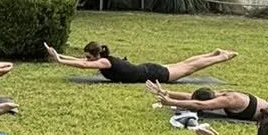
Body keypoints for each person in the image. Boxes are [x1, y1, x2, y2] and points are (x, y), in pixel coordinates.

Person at [44, 41, 236, 84]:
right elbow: (81, 61)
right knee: (184, 63)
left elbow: (83, 65)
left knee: (189, 67)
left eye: (88, 56)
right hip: (148, 68)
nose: (86, 59)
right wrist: (59, 55)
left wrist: (60, 60)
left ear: (95, 55)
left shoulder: (104, 63)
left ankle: (222, 57)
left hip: (154, 74)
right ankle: (214, 53)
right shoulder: (103, 59)